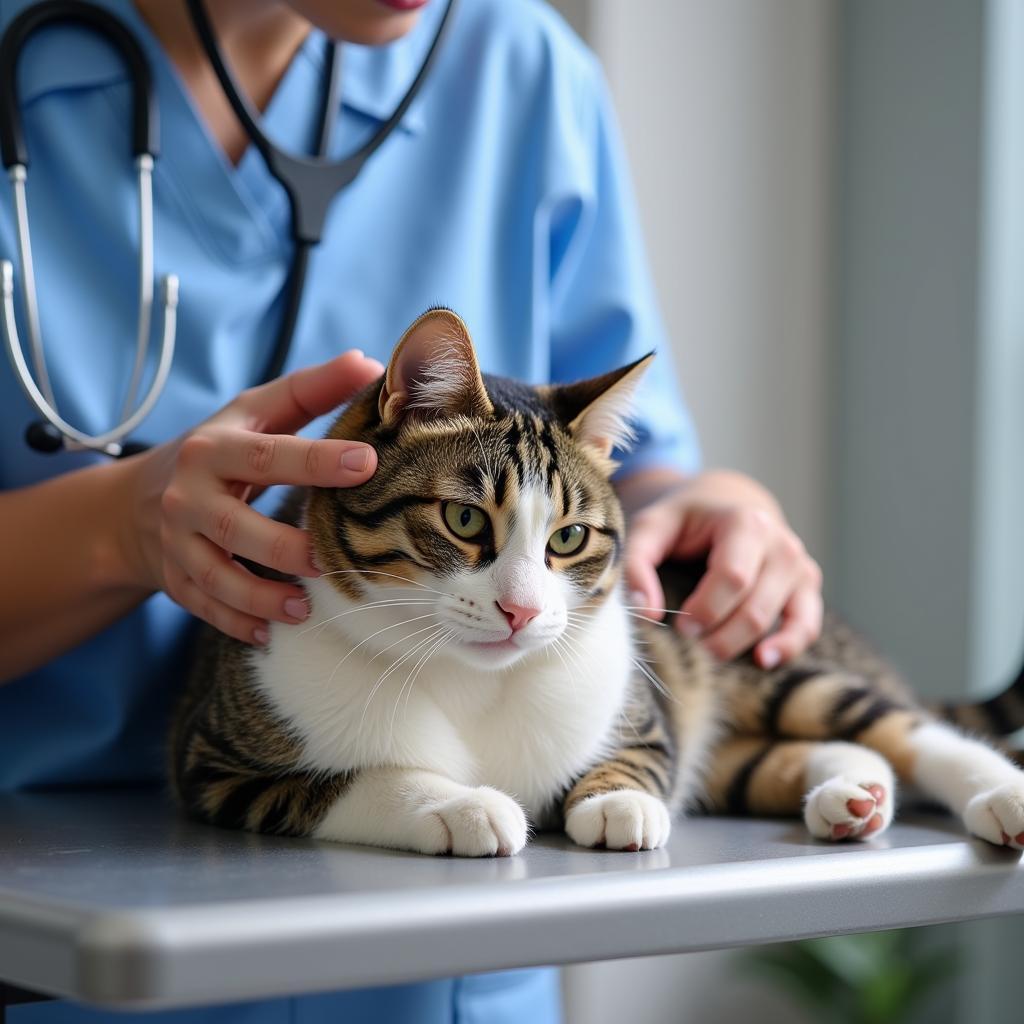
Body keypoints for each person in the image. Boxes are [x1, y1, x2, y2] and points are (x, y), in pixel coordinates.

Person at [0, 0, 823, 1020]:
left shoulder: (519, 65)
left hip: (455, 956)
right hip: (66, 944)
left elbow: (619, 466)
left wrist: (715, 502)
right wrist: (114, 528)